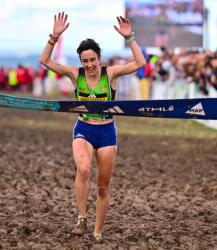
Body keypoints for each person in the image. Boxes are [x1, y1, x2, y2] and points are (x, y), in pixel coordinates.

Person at [39, 12, 146, 242]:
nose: (88, 65)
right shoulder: (74, 74)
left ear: (99, 58)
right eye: (84, 61)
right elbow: (45, 61)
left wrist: (130, 38)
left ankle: (97, 231)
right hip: (84, 130)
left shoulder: (111, 73)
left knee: (102, 188)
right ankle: (81, 218)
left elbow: (140, 63)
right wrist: (54, 37)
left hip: (107, 132)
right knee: (84, 169)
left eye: (92, 60)